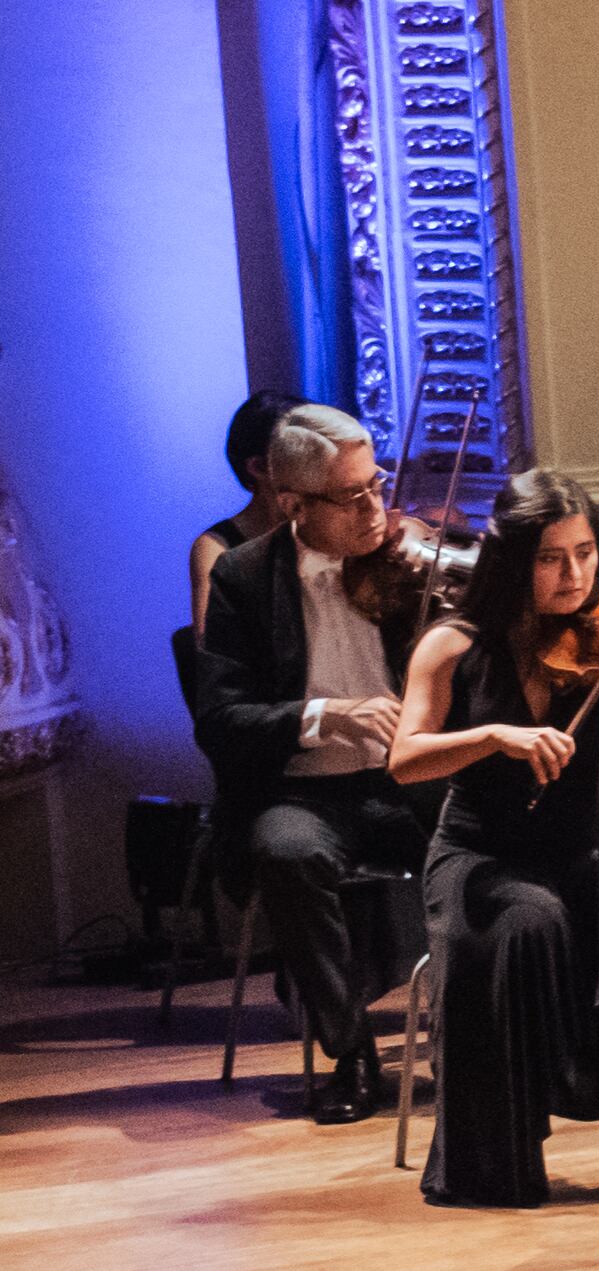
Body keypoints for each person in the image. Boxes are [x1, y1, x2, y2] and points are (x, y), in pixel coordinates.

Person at [389, 467, 599, 1206]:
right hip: (482, 851)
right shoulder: (453, 645)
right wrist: (493, 735)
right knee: (522, 924)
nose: (575, 574)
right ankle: (495, 1160)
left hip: (584, 851)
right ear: (513, 558)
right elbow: (404, 759)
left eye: (586, 552)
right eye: (553, 557)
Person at [193, 403, 434, 1119]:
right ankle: (352, 1051)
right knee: (288, 853)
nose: (373, 507)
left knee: (491, 833)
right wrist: (327, 714)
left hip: (403, 781)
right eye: (351, 495)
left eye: (376, 484)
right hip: (300, 794)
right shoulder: (244, 578)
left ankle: (487, 1036)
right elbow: (220, 719)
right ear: (293, 504)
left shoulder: (406, 561)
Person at [189, 390, 293, 620]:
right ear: (258, 467)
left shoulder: (319, 525)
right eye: (299, 455)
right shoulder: (216, 547)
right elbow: (212, 646)